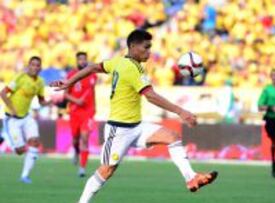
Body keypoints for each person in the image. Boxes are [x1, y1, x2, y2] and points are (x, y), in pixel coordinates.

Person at [50, 29, 218, 203]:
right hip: (119, 130)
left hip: (136, 126)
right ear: (133, 46)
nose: (149, 51)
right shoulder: (131, 68)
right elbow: (151, 96)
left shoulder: (119, 62)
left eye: (150, 47)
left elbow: (93, 67)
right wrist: (181, 111)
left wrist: (70, 81)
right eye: (146, 47)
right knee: (106, 171)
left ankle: (191, 177)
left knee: (172, 137)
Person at [0, 56, 52, 183]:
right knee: (20, 151)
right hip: (11, 119)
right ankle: (7, 139)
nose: (35, 67)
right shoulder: (20, 78)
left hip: (26, 117)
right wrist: (12, 108)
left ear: (40, 68)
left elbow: (41, 101)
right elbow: (3, 93)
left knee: (35, 142)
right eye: (32, 64)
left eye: (37, 65)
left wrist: (50, 102)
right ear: (28, 65)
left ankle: (24, 176)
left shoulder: (40, 82)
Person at [65, 52, 97, 177]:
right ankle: (76, 151)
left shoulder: (92, 75)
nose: (82, 61)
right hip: (74, 112)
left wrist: (95, 108)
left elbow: (93, 92)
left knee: (85, 138)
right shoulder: (71, 75)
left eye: (84, 59)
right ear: (76, 61)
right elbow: (66, 94)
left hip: (88, 112)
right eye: (80, 59)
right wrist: (76, 101)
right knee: (75, 139)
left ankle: (82, 168)